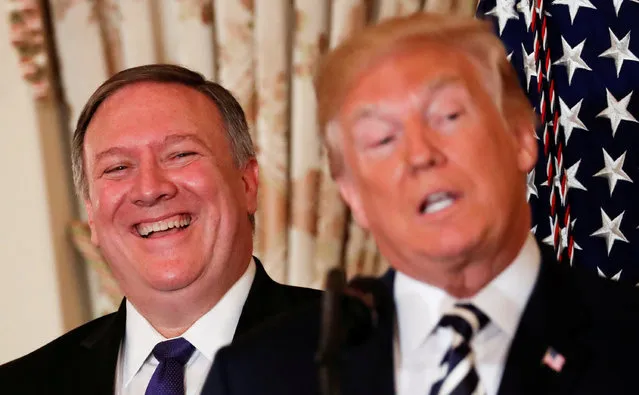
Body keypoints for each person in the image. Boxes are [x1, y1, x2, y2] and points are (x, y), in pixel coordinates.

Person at [201, 13, 639, 395]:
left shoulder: (624, 339)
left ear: (521, 137)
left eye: (447, 117)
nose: (420, 155)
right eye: (382, 139)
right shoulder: (258, 377)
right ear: (353, 195)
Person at [0, 64, 320, 395]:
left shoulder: (361, 352)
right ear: (92, 214)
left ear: (247, 183)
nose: (150, 189)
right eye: (118, 167)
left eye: (180, 154)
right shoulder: (18, 386)